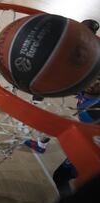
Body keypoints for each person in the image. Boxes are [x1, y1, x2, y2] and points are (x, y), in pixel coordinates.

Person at [52, 19, 100, 199]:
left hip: (92, 151)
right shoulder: (85, 69)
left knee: (60, 176)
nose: (94, 82)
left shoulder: (91, 113)